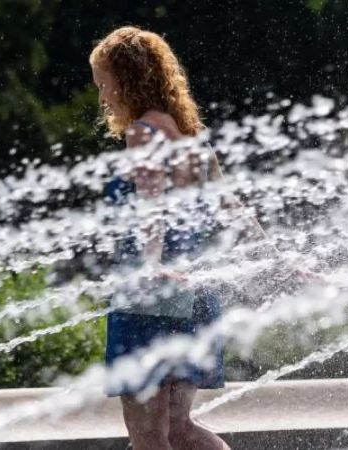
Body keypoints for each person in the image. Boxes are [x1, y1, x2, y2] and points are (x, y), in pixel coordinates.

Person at [90, 26, 257, 450]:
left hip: (150, 298)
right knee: (180, 431)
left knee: (148, 439)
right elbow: (233, 208)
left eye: (104, 84)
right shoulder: (193, 139)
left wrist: (150, 265)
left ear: (127, 81)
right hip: (196, 299)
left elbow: (153, 207)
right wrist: (282, 260)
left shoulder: (143, 132)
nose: (102, 97)